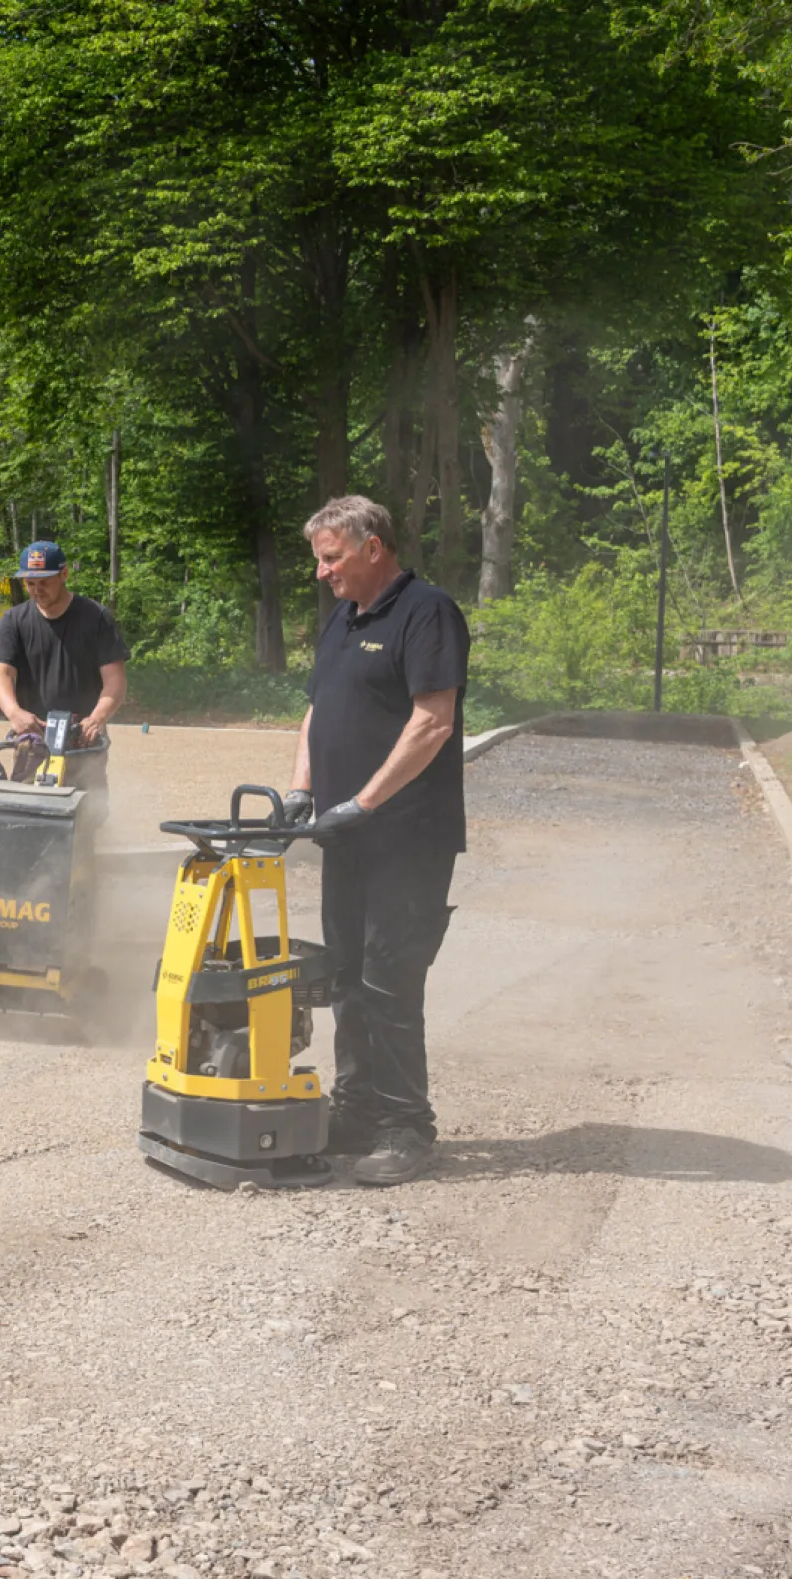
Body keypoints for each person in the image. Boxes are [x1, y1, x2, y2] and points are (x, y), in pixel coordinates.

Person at [283, 495, 469, 1187]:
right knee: (347, 979)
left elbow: (432, 722)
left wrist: (361, 803)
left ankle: (405, 1126)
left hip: (405, 837)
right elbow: (316, 711)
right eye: (317, 560)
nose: (321, 573)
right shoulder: (342, 619)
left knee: (389, 980)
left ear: (371, 548)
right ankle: (355, 1111)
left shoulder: (426, 613)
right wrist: (302, 789)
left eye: (330, 558)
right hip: (347, 836)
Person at [0, 540, 129, 793]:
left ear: (64, 574)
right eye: (30, 583)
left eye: (44, 582)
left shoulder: (96, 618)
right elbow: (2, 674)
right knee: (27, 811)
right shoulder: (13, 622)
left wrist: (97, 719)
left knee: (88, 816)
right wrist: (14, 713)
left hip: (83, 739)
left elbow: (115, 681)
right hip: (33, 739)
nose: (37, 590)